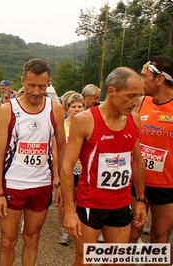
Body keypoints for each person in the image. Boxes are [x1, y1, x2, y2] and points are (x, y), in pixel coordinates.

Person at [61, 67, 147, 266]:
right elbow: (67, 166)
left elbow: (137, 161)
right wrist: (70, 212)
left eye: (139, 96)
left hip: (121, 204)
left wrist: (141, 199)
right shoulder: (85, 120)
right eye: (131, 96)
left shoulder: (134, 119)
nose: (136, 102)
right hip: (91, 204)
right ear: (112, 92)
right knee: (85, 259)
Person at [0, 58, 66, 266]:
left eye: (42, 86)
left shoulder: (56, 109)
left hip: (41, 184)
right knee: (8, 240)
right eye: (31, 85)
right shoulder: (8, 109)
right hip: (13, 184)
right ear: (22, 81)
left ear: (49, 83)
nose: (36, 91)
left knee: (32, 238)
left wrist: (60, 183)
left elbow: (62, 149)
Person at [129, 55, 173, 263]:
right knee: (130, 233)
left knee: (160, 237)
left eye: (144, 76)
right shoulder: (140, 102)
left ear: (160, 79)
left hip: (167, 184)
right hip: (139, 181)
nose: (141, 80)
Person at [54, 92, 85, 246]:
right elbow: (56, 150)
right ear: (67, 109)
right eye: (74, 107)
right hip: (67, 169)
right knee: (67, 199)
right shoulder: (63, 126)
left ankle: (80, 226)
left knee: (81, 199)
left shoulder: (87, 125)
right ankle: (65, 228)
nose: (77, 109)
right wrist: (56, 174)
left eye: (80, 106)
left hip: (83, 169)